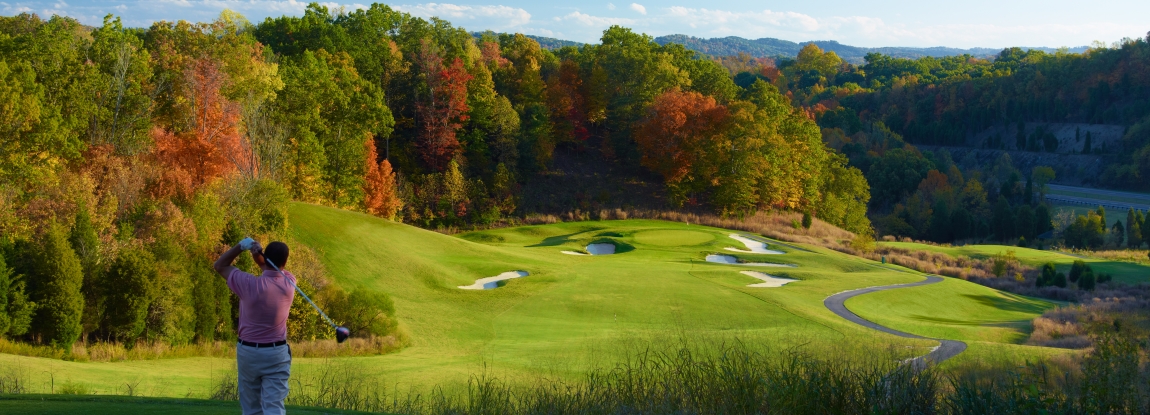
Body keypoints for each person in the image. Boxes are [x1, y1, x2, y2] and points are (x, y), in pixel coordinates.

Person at [214, 237, 296, 415]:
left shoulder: (248, 284)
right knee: (274, 407)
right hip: (276, 353)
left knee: (251, 409)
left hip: (248, 352)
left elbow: (220, 265)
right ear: (285, 261)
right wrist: (259, 255)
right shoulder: (289, 282)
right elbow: (268, 267)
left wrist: (241, 246)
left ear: (266, 258)